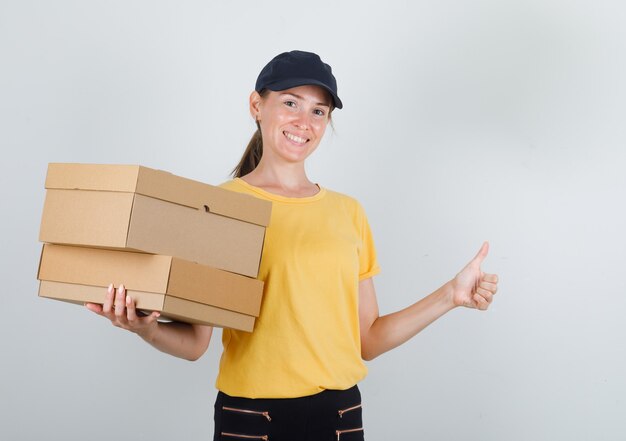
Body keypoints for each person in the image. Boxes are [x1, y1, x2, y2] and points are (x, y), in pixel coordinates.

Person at [86, 50, 499, 441]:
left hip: (341, 418)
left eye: (319, 111)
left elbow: (367, 340)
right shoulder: (220, 207)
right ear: (256, 105)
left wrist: (451, 295)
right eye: (290, 103)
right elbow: (195, 343)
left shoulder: (348, 213)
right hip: (251, 420)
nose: (305, 121)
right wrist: (145, 328)